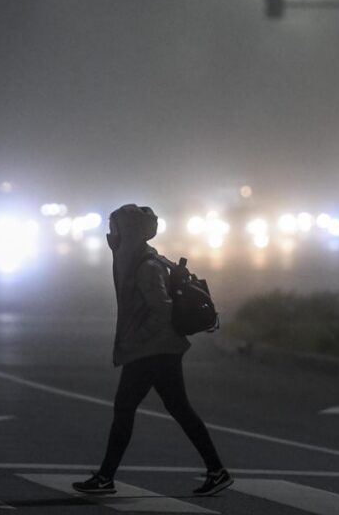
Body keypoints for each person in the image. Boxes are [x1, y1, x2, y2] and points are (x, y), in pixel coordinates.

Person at [73, 204, 232, 497]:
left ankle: (106, 477)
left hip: (152, 349)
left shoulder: (146, 266)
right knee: (179, 409)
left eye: (116, 228)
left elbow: (161, 308)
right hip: (161, 348)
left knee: (124, 408)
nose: (112, 234)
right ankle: (217, 471)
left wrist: (138, 339)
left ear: (129, 231)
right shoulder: (137, 259)